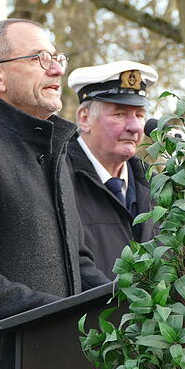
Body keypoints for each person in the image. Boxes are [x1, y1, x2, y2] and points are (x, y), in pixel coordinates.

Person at [0, 19, 109, 369]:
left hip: (58, 357)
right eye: (39, 58)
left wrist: (129, 305)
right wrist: (52, 313)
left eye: (57, 57)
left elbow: (80, 261)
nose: (56, 68)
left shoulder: (56, 152)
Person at [66, 61, 159, 277]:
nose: (135, 127)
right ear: (85, 119)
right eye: (119, 114)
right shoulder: (59, 178)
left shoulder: (155, 186)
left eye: (139, 115)